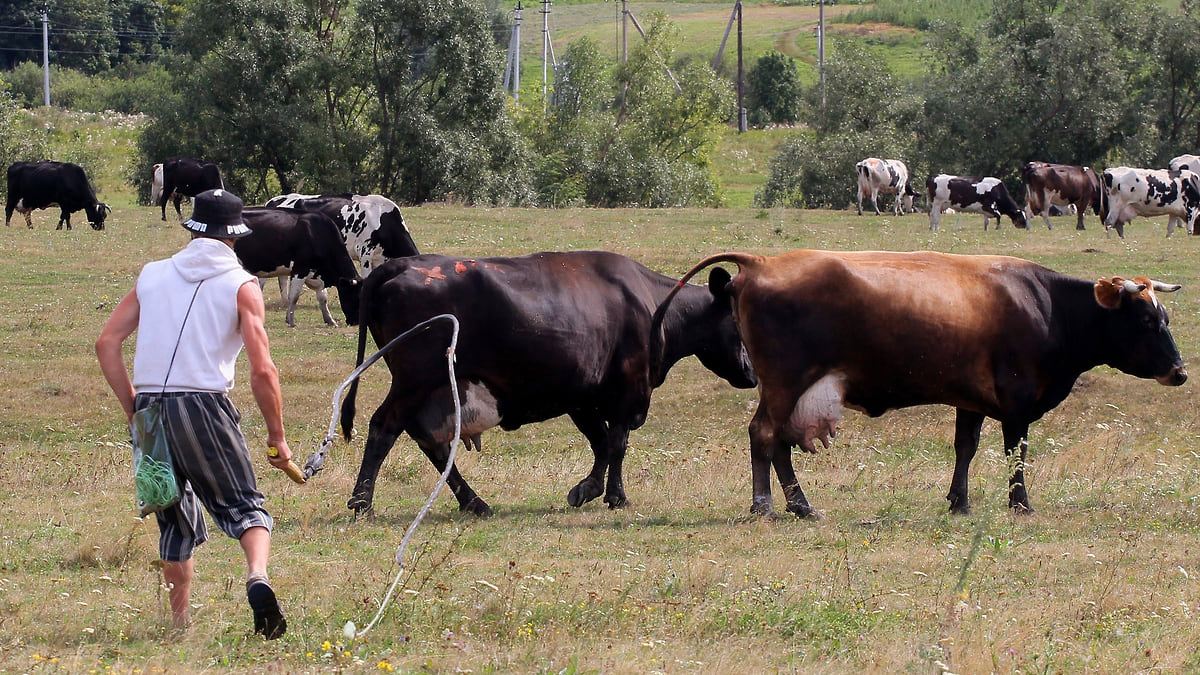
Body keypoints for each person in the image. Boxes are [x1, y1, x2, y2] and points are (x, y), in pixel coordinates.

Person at [96, 188, 294, 639]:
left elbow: (107, 343)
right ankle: (257, 577)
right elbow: (262, 369)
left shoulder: (152, 274)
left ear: (193, 229)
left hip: (149, 405)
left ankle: (180, 625)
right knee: (247, 509)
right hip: (203, 405)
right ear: (235, 236)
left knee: (174, 519)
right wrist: (277, 437)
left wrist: (134, 410)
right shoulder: (242, 285)